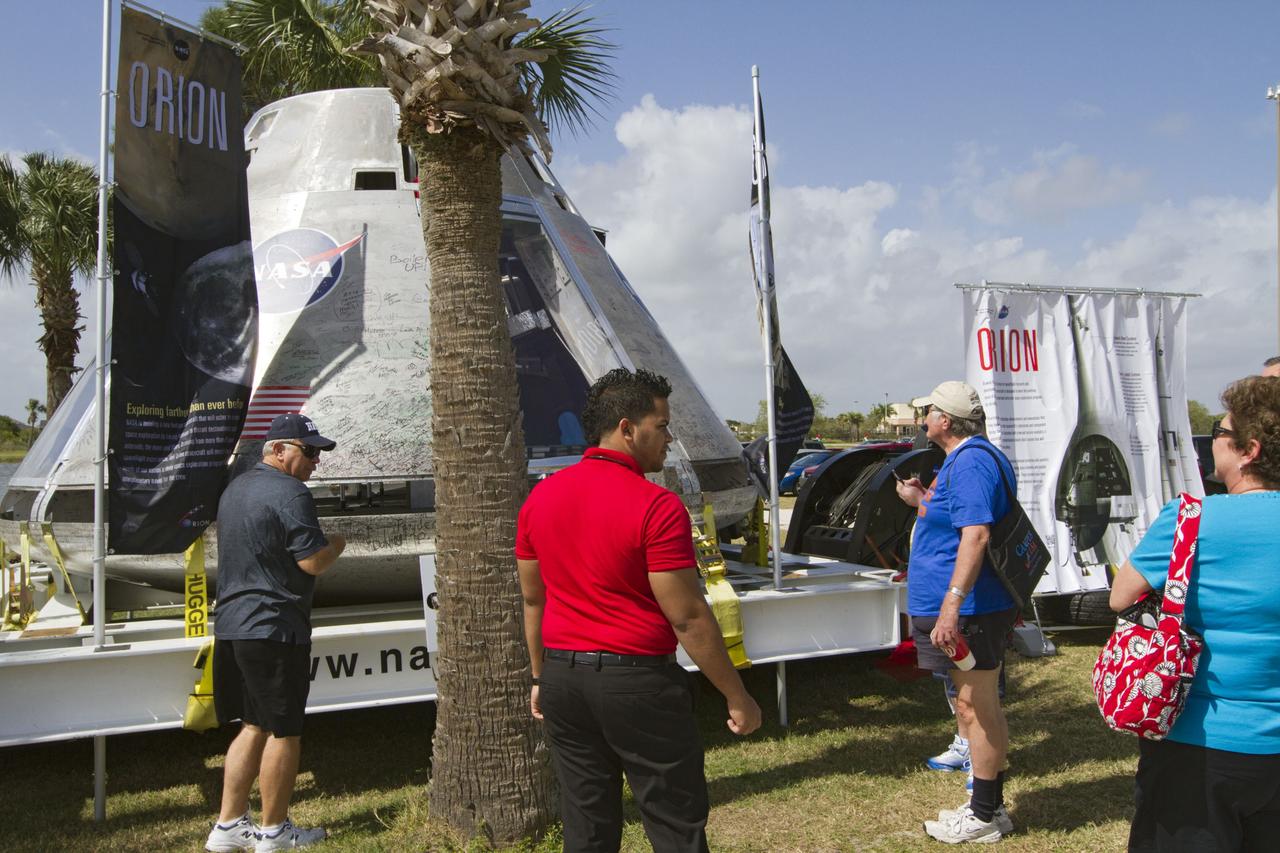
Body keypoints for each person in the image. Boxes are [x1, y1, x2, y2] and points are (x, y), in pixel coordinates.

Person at [517, 368, 762, 853]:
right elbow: (687, 615)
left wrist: (541, 677)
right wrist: (736, 694)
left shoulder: (540, 497)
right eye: (663, 425)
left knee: (586, 827)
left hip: (565, 677)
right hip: (638, 684)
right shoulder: (656, 506)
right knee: (674, 822)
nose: (669, 438)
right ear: (627, 428)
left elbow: (532, 598)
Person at [1110, 375, 1280, 852]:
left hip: (1200, 741)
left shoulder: (1191, 519)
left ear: (1249, 449)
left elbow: (1121, 597)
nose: (1211, 445)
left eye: (1219, 433)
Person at [205, 413, 346, 853]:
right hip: (274, 627)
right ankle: (274, 832)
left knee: (253, 725)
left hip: (232, 625)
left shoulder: (236, 488)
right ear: (278, 449)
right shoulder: (291, 493)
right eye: (309, 452)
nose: (315, 462)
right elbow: (312, 562)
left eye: (318, 453)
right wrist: (337, 544)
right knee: (285, 731)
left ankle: (228, 827)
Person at [895, 380, 1019, 844]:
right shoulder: (969, 459)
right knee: (971, 704)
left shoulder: (970, 463)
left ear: (944, 421)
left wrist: (951, 606)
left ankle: (985, 815)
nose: (924, 417)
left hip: (971, 611)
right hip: (969, 608)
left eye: (928, 411)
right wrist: (921, 501)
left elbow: (976, 535)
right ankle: (990, 807)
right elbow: (957, 521)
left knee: (976, 704)